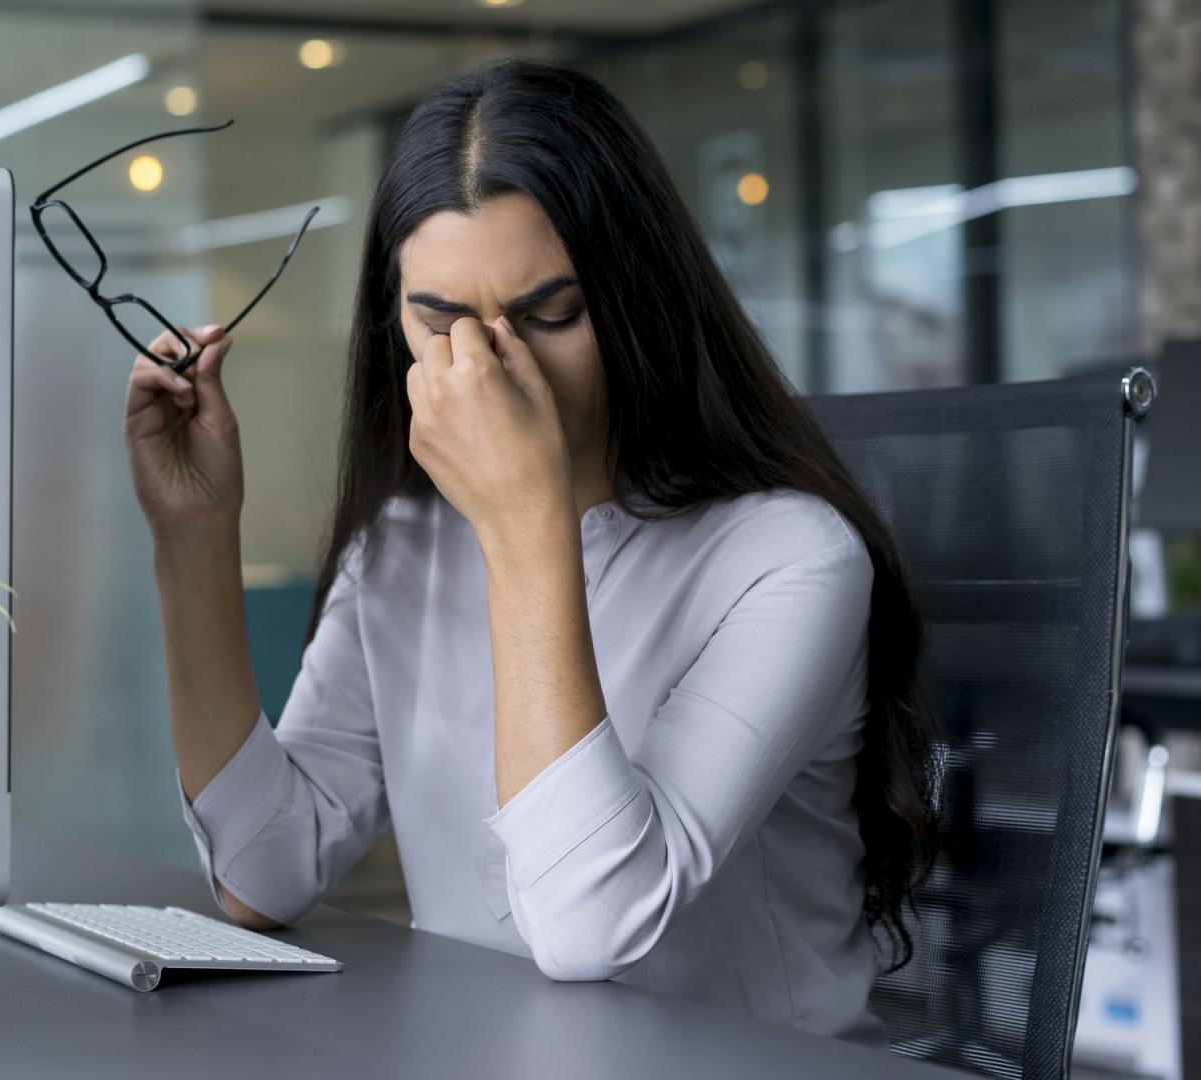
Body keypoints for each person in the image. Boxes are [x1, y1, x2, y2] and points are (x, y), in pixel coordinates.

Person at [121, 56, 937, 1046]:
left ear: (635, 303)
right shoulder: (404, 546)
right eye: (440, 322)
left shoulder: (793, 559)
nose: (488, 365)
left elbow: (594, 925)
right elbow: (263, 874)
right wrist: (194, 536)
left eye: (548, 316)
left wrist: (522, 522)